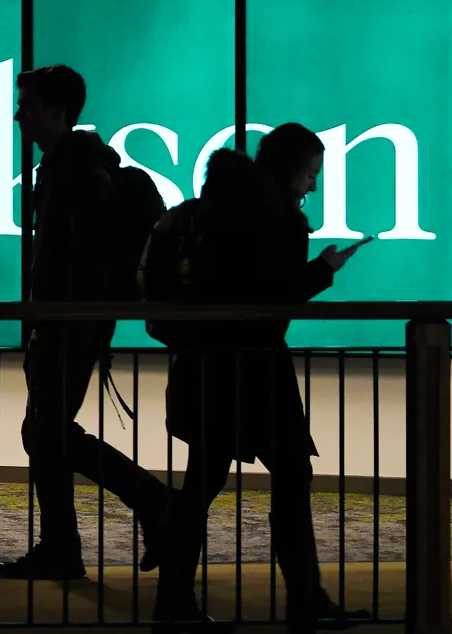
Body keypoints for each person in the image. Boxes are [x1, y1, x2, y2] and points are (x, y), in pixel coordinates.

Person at [151, 127, 371, 631]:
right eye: (311, 174)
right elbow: (274, 300)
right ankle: (304, 599)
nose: (312, 187)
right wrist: (324, 269)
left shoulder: (217, 211)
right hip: (257, 374)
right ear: (292, 168)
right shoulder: (279, 221)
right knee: (291, 478)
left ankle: (175, 600)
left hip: (204, 366)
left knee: (201, 484)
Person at [0, 64, 170, 581]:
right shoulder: (74, 166)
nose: (17, 114)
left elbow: (79, 260)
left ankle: (147, 502)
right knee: (43, 432)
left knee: (43, 431)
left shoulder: (73, 171)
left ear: (57, 109)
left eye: (26, 104)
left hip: (65, 325)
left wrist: (63, 322)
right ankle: (67, 544)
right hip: (71, 323)